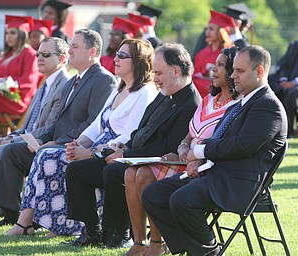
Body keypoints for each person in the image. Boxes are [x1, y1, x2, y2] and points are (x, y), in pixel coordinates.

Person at [142, 45, 288, 256]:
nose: (233, 75)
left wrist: (200, 153)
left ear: (259, 72)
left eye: (240, 71)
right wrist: (200, 161)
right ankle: (191, 248)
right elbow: (222, 141)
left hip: (238, 184)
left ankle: (207, 252)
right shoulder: (241, 103)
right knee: (153, 193)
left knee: (182, 199)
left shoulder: (267, 106)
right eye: (233, 69)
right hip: (216, 174)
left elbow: (241, 146)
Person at [5, 38, 159, 237]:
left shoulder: (144, 92)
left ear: (138, 61)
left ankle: (65, 225)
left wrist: (90, 152)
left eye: (122, 55)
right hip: (95, 146)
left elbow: (129, 135)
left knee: (52, 158)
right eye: (117, 54)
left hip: (112, 152)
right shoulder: (119, 90)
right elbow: (96, 125)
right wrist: (78, 143)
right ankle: (36, 222)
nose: (116, 59)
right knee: (47, 154)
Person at [64, 42, 201, 248]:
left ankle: (120, 233)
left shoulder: (190, 102)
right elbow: (141, 130)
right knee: (76, 170)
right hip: (135, 155)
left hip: (159, 164)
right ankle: (92, 230)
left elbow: (168, 146)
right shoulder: (166, 93)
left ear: (176, 71)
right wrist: (122, 149)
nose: (155, 78)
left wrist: (126, 154)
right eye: (154, 72)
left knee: (114, 171)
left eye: (159, 73)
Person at [0, 28, 117, 227]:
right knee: (12, 151)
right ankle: (13, 214)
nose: (70, 51)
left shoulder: (104, 80)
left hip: (74, 146)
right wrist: (41, 140)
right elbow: (56, 122)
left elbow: (93, 123)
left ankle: (29, 222)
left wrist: (57, 142)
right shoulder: (75, 80)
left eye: (75, 47)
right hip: (55, 142)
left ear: (92, 52)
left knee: (39, 153)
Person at [124, 46, 241, 256]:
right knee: (130, 172)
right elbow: (188, 135)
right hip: (184, 160)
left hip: (204, 168)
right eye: (215, 64)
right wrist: (184, 148)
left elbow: (219, 142)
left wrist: (191, 155)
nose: (213, 69)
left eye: (221, 65)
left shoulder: (236, 106)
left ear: (233, 71)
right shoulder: (208, 100)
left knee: (143, 174)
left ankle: (158, 243)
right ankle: (140, 241)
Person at [0, 37, 71, 216]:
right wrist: (7, 138)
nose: (39, 58)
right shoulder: (45, 83)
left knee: (6, 150)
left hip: (44, 143)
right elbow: (28, 124)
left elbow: (49, 127)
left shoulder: (64, 85)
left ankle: (10, 211)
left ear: (61, 58)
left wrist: (12, 141)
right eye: (38, 54)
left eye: (45, 54)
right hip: (29, 138)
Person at [269, 3, 298, 138]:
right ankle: (271, 126)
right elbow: (284, 64)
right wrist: (283, 79)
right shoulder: (297, 44)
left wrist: (295, 82)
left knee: (295, 92)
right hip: (290, 82)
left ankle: (290, 132)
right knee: (268, 83)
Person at [0, 15, 39, 134]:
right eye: (7, 33)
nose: (8, 36)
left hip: (17, 99)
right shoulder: (4, 55)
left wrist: (4, 83)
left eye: (12, 33)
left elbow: (28, 81)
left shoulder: (30, 54)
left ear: (22, 34)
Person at [193, 10, 235, 98]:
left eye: (211, 29)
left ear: (221, 31)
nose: (207, 32)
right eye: (207, 29)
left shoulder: (229, 52)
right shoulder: (203, 52)